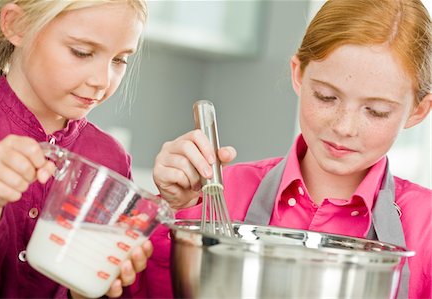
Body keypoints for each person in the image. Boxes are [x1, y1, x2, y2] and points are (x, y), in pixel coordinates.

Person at [143, 0, 432, 298]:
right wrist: (171, 210)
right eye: (326, 97)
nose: (344, 126)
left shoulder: (427, 225)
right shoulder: (215, 195)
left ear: (418, 111)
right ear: (298, 74)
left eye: (376, 111)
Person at [0, 1, 152, 298]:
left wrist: (89, 289)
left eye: (119, 60)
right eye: (82, 52)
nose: (101, 81)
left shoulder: (110, 160)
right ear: (16, 26)